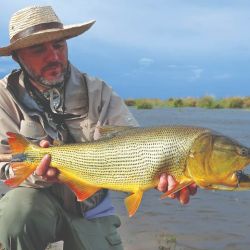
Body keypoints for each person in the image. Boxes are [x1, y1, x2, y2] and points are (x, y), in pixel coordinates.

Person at [0, 5, 197, 250]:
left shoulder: (99, 91)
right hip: (36, 205)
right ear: (17, 56)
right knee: (16, 212)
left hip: (91, 208)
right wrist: (36, 174)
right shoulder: (4, 97)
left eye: (59, 45)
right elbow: (4, 165)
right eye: (38, 49)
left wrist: (162, 174)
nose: (53, 56)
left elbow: (135, 148)